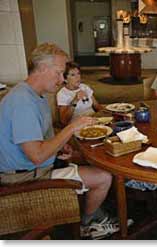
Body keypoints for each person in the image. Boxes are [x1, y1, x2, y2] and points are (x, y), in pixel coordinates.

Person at [0, 43, 118, 239]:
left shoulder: (32, 94)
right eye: (59, 73)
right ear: (43, 68)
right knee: (104, 176)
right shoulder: (22, 103)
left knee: (93, 156)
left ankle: (92, 210)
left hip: (34, 167)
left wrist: (58, 147)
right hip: (25, 178)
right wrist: (72, 127)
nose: (62, 79)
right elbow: (37, 156)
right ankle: (88, 225)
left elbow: (39, 140)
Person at [57, 61, 103, 126]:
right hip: (79, 125)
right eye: (73, 75)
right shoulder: (62, 94)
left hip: (93, 120)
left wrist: (106, 115)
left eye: (78, 73)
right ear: (65, 79)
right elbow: (64, 121)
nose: (77, 77)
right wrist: (75, 100)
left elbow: (97, 106)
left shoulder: (84, 87)